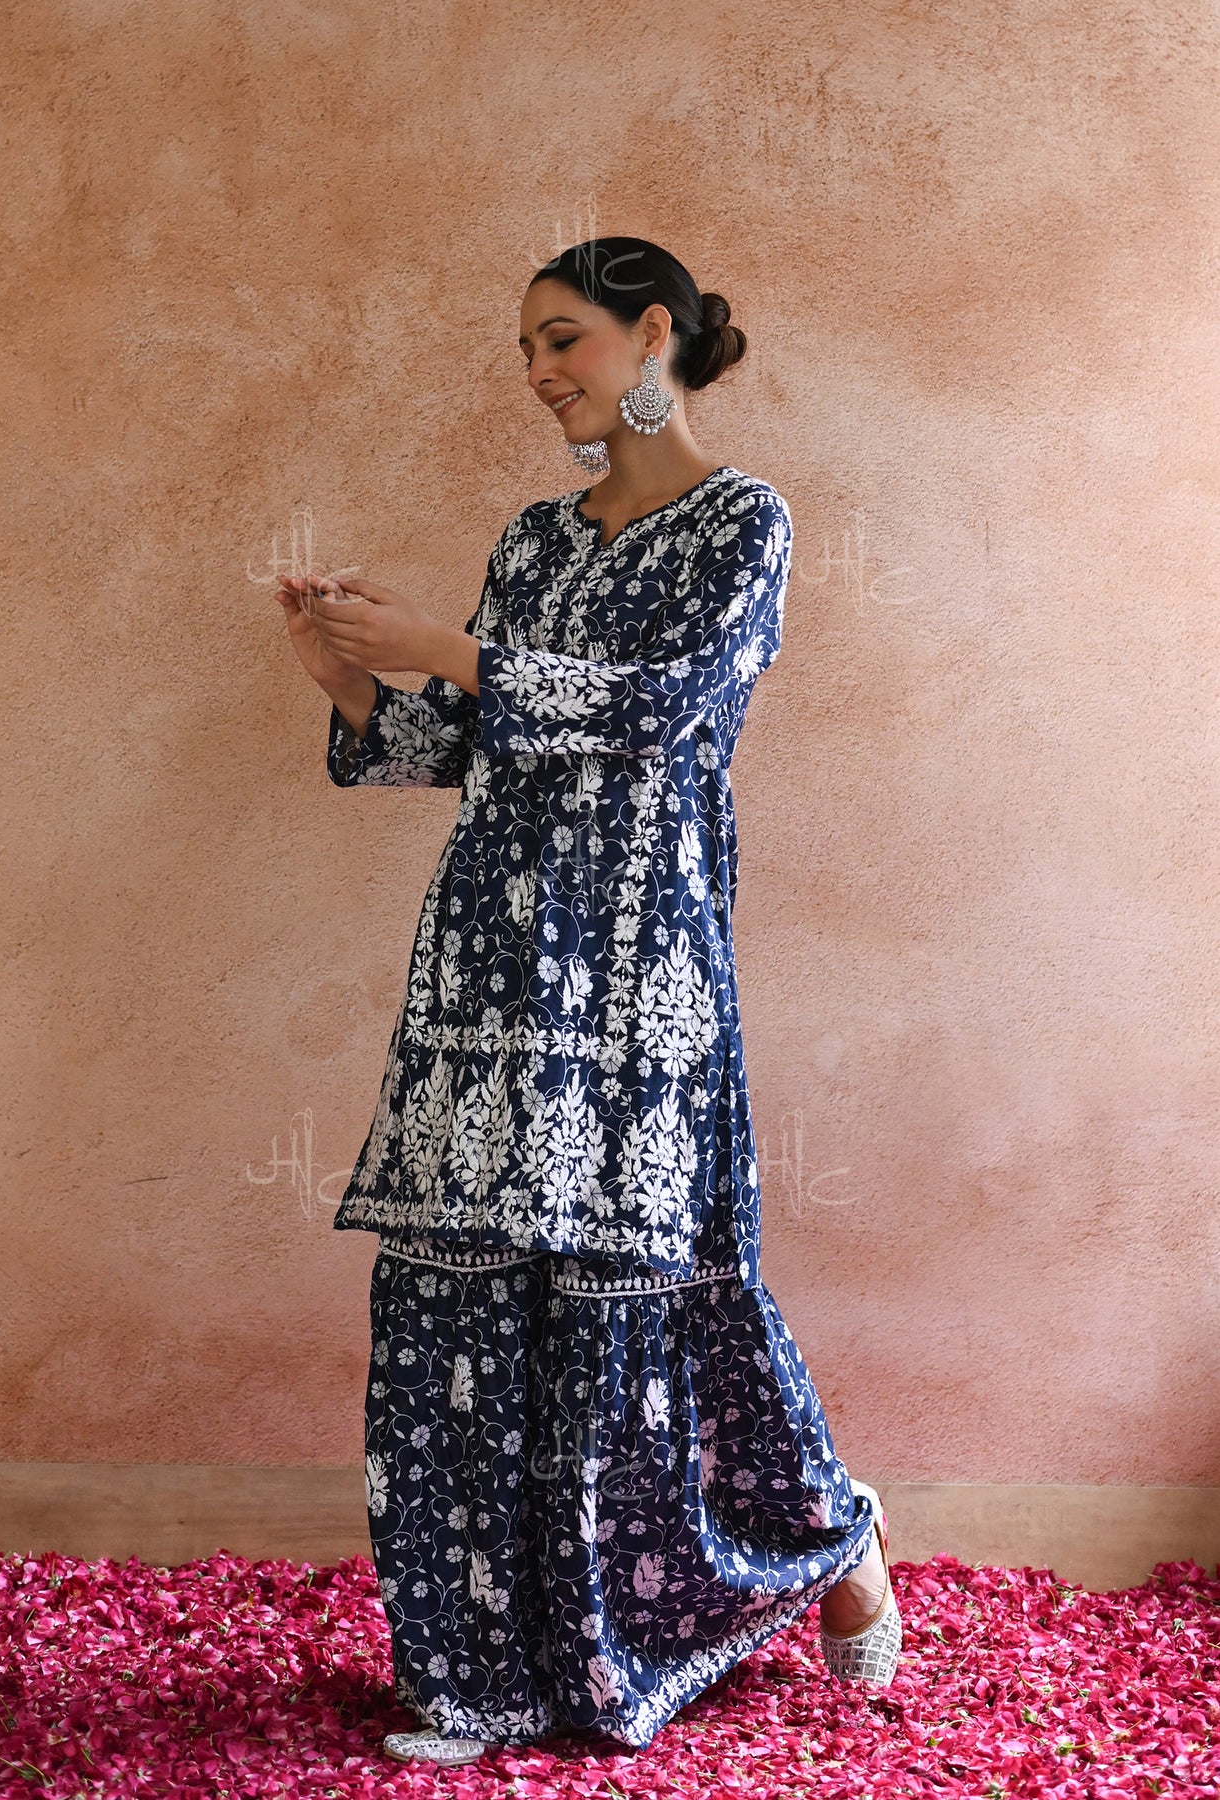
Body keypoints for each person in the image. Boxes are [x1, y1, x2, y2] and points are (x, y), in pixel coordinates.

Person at [275, 237, 902, 1766]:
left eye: (564, 339)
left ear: (652, 335)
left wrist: (452, 649)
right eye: (528, 350)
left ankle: (824, 1537)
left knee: (647, 1290)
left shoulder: (743, 520)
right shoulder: (534, 540)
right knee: (455, 1299)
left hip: (639, 970)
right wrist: (353, 681)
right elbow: (473, 749)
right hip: (485, 960)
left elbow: (667, 709)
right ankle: (477, 1676)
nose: (542, 372)